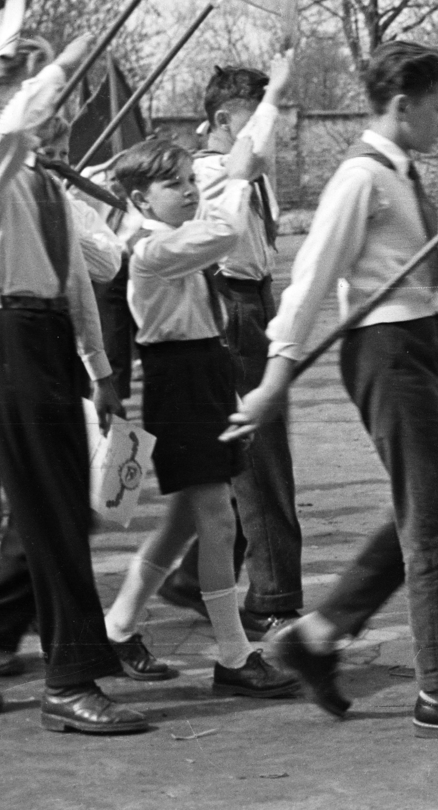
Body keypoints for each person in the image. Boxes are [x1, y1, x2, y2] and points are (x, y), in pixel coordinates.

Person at [227, 40, 438, 741]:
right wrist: (275, 377)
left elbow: (436, 279)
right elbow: (310, 279)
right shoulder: (360, 178)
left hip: (421, 340)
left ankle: (319, 634)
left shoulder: (403, 173)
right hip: (386, 351)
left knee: (432, 510)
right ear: (402, 105)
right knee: (434, 526)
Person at [0, 35, 147, 735]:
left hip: (49, 343)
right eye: (9, 92)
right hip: (7, 339)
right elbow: (21, 119)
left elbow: (92, 273)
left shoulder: (45, 183)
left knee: (61, 511)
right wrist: (73, 54)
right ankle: (69, 678)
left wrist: (102, 371)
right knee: (51, 515)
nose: (42, 109)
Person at [96, 136, 298, 698]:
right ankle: (234, 657)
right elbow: (226, 234)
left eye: (191, 181)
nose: (189, 192)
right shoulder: (149, 251)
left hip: (204, 370)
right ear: (139, 199)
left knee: (185, 521)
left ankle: (117, 629)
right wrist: (234, 179)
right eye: (174, 185)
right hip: (178, 380)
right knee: (218, 518)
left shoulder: (171, 238)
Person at [159, 53, 304, 640]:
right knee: (262, 459)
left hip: (257, 299)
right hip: (230, 304)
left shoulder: (246, 168)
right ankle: (273, 597)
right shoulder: (208, 170)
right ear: (223, 119)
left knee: (251, 452)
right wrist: (275, 95)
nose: (271, 128)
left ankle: (195, 574)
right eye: (257, 116)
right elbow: (248, 154)